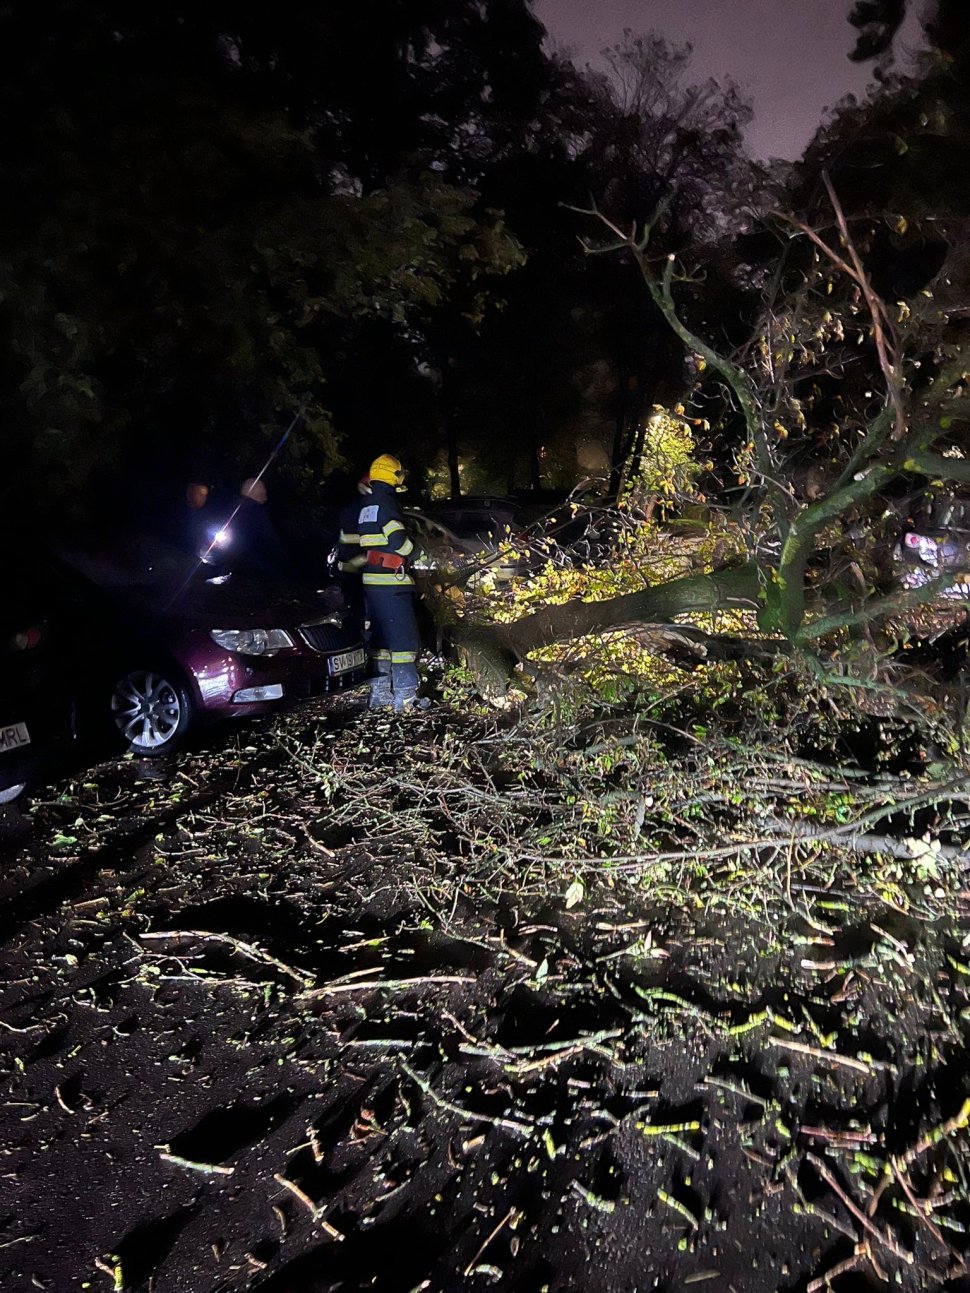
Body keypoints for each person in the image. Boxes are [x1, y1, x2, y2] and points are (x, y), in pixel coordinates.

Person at [356, 454, 424, 711]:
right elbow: (399, 543)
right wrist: (417, 552)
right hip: (391, 582)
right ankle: (406, 699)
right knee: (403, 640)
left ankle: (379, 695)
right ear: (392, 475)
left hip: (372, 581)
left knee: (381, 640)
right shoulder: (387, 504)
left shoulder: (367, 505)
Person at [230, 476, 292, 583]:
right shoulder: (257, 515)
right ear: (255, 495)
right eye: (262, 495)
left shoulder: (232, 511)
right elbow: (271, 543)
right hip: (259, 572)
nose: (265, 498)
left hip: (236, 568)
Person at [333, 475, 371, 636]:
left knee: (357, 612)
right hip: (356, 568)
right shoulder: (362, 509)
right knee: (359, 612)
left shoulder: (355, 508)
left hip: (353, 568)